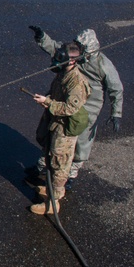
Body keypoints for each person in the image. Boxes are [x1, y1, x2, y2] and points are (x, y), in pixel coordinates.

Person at [27, 26, 123, 181]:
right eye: (76, 45)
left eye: (80, 47)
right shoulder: (73, 52)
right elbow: (56, 48)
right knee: (51, 133)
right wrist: (42, 36)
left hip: (87, 109)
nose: (76, 49)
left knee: (81, 142)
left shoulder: (103, 65)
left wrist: (116, 113)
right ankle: (43, 166)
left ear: (89, 49)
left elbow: (116, 89)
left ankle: (70, 175)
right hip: (64, 100)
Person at [29, 42, 91, 214]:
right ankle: (51, 189)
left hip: (65, 128)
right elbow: (55, 93)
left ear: (72, 61)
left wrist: (48, 103)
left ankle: (53, 202)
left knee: (60, 163)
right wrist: (47, 98)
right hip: (55, 122)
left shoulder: (77, 82)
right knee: (50, 156)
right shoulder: (64, 74)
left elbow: (71, 108)